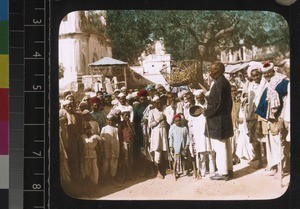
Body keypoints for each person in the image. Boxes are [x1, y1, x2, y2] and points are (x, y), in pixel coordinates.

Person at [256, 61, 289, 177]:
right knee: (272, 143)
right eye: (264, 74)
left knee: (281, 143)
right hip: (269, 118)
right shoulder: (268, 84)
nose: (266, 75)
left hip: (279, 117)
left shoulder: (282, 82)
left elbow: (285, 101)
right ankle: (275, 166)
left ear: (273, 71)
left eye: (268, 73)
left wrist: (281, 118)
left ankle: (283, 168)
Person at [203, 61, 234, 181]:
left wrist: (207, 112)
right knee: (226, 146)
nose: (210, 72)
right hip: (224, 118)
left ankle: (223, 173)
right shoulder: (223, 82)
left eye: (213, 70)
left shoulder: (219, 83)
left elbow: (217, 104)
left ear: (219, 71)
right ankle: (229, 170)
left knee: (220, 147)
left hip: (218, 121)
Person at [148, 95, 169, 179]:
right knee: (157, 152)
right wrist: (158, 120)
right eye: (156, 103)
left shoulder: (164, 110)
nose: (158, 104)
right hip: (156, 135)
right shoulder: (152, 112)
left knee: (165, 151)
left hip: (164, 133)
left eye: (159, 102)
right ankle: (158, 171)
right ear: (154, 104)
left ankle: (165, 169)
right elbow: (150, 124)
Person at [99, 114, 120, 186]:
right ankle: (104, 180)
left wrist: (116, 150)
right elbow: (101, 139)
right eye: (109, 120)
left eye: (111, 120)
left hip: (113, 148)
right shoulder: (104, 128)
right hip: (106, 148)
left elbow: (117, 139)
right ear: (107, 121)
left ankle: (112, 179)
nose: (110, 121)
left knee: (113, 164)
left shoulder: (115, 129)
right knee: (105, 164)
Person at [168, 114, 190, 180]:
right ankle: (174, 173)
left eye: (179, 120)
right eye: (176, 121)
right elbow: (170, 138)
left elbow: (187, 137)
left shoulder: (184, 128)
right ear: (174, 121)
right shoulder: (172, 127)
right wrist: (171, 147)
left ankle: (184, 170)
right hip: (176, 146)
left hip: (183, 146)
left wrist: (186, 145)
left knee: (184, 159)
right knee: (175, 160)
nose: (178, 122)